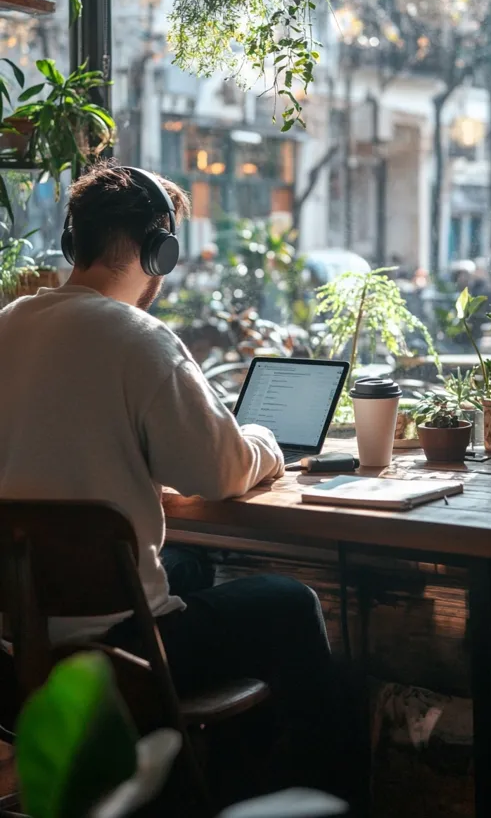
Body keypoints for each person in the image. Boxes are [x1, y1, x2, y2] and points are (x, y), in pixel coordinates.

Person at [0, 163, 366, 810]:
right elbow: (218, 472)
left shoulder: (8, 324)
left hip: (14, 644)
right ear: (158, 251)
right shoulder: (139, 339)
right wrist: (265, 444)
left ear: (71, 244)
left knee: (190, 565)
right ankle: (309, 800)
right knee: (290, 605)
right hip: (124, 651)